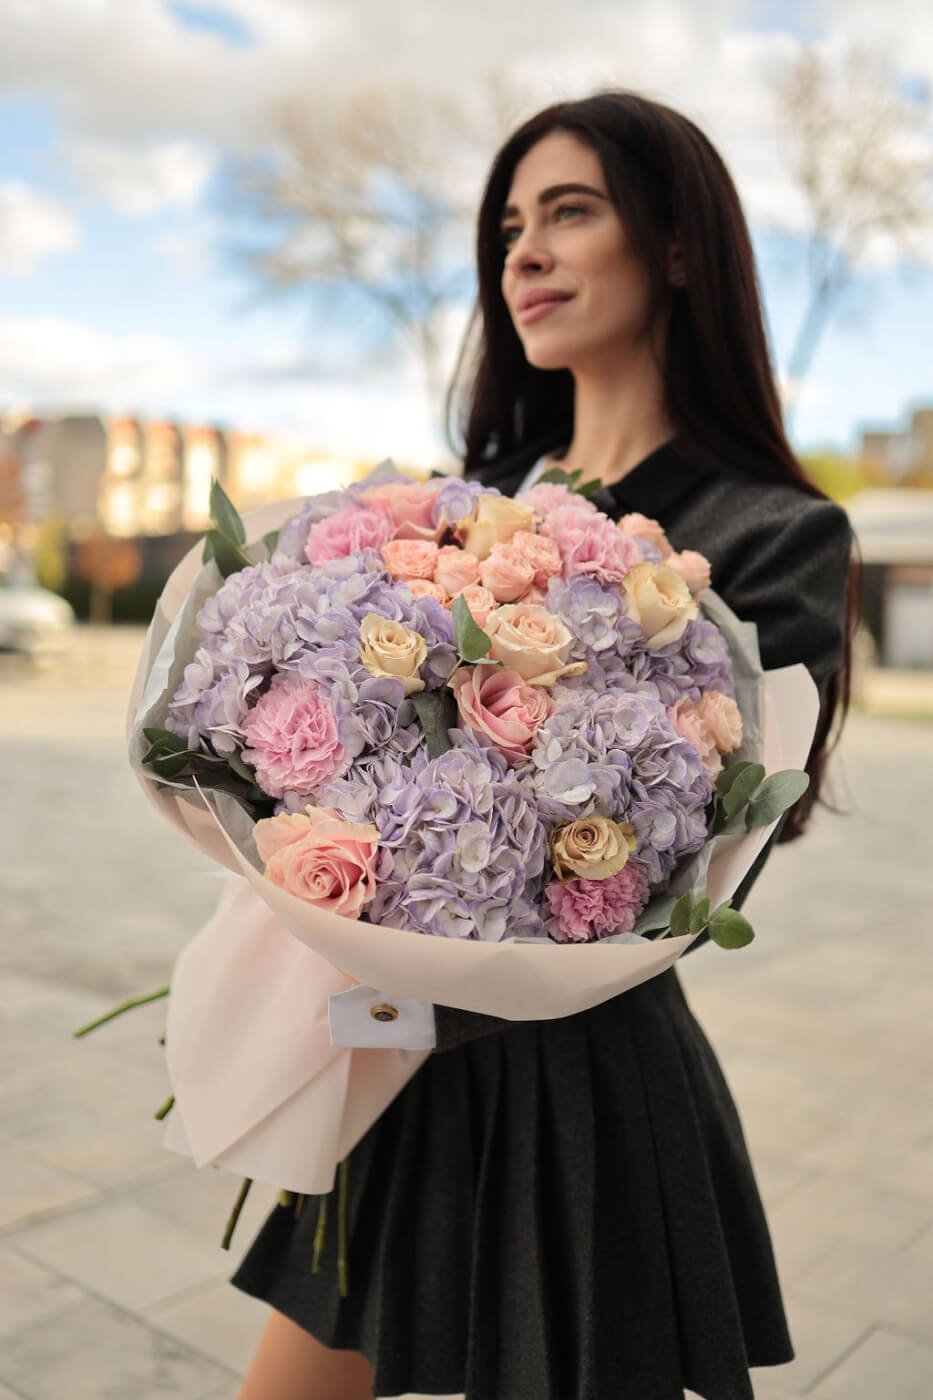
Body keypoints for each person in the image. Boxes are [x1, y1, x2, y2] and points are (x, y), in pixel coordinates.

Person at [231, 89, 858, 1400]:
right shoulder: (472, 495)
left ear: (675, 243)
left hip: (587, 1099)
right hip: (397, 1063)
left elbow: (711, 855)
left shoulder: (772, 533)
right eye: (510, 227)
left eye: (569, 213)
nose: (523, 253)